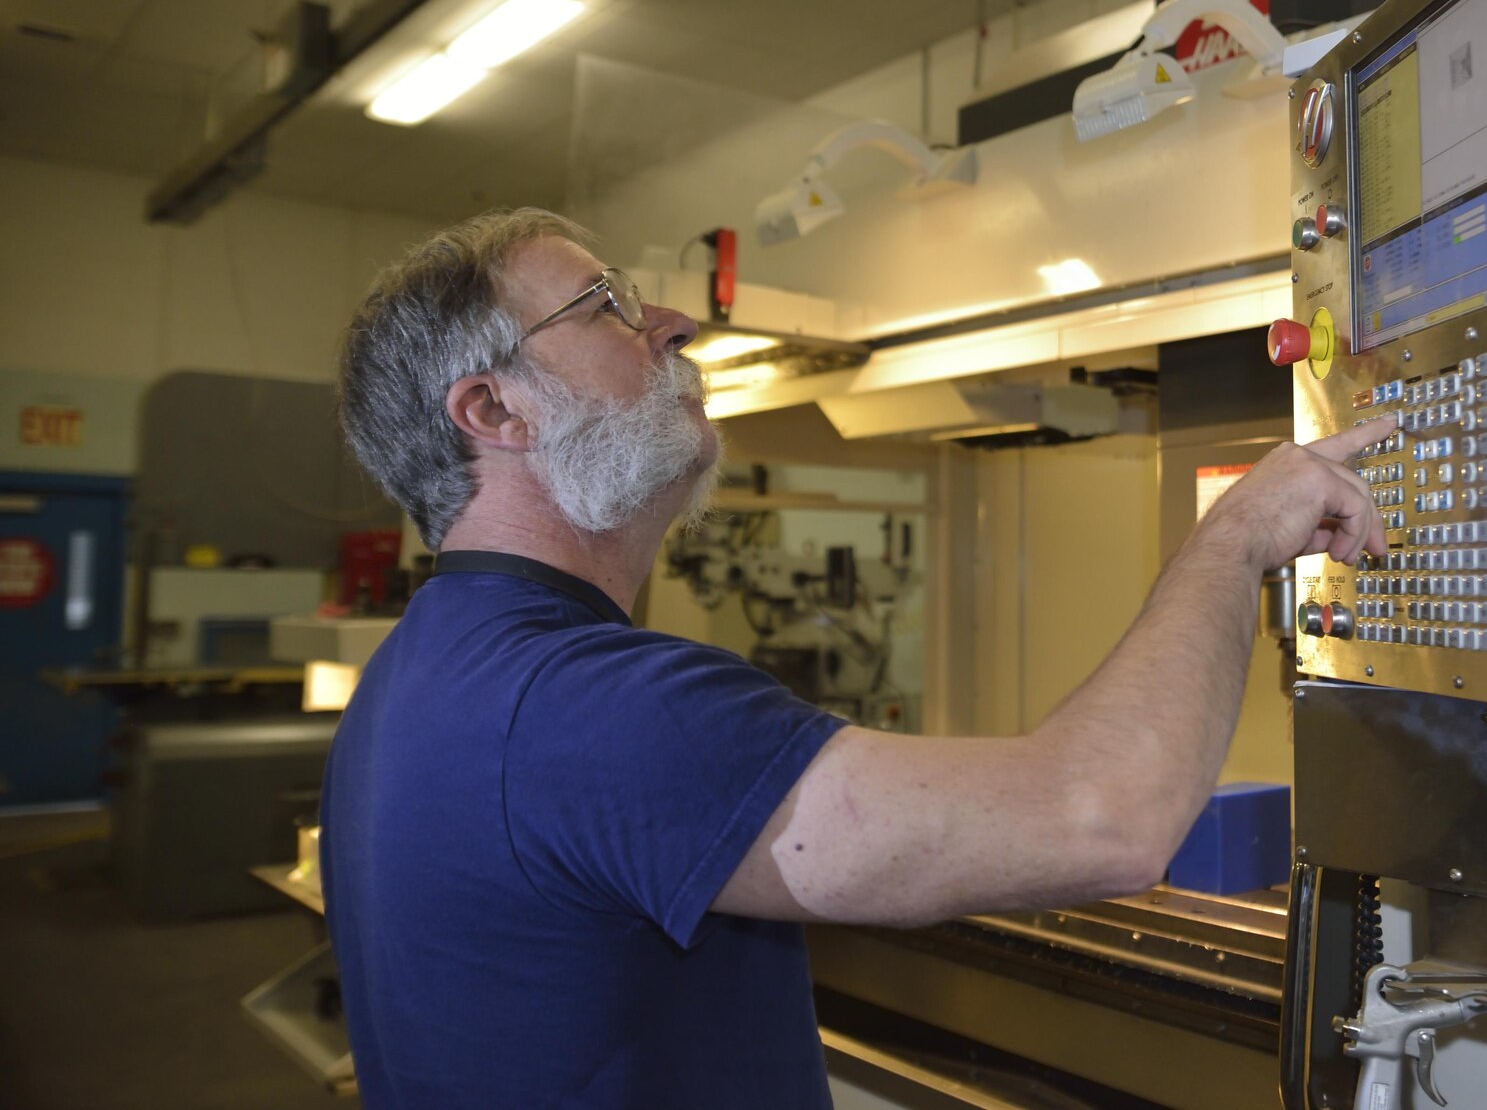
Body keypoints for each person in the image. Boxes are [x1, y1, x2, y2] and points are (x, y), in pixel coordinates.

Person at [322, 207, 1391, 1108]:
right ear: (491, 409)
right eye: (604, 305)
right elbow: (1101, 818)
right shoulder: (589, 708)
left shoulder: (418, 672)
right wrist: (1239, 533)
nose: (674, 321)